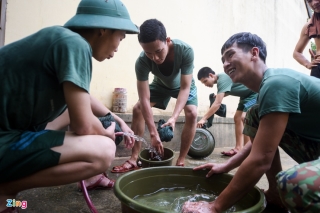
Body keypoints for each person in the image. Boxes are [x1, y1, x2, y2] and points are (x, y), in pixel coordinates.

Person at [0, 0, 138, 212]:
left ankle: (13, 198)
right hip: (5, 141)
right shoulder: (76, 45)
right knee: (103, 150)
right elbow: (84, 126)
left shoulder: (60, 38)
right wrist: (107, 133)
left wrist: (117, 119)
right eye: (120, 37)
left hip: (10, 134)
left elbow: (82, 98)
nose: (118, 47)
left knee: (70, 111)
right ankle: (6, 191)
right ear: (102, 29)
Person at [182, 32, 320, 213]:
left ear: (254, 53)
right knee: (254, 114)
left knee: (295, 184)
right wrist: (226, 166)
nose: (225, 64)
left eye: (230, 55)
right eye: (223, 59)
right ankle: (275, 195)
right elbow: (261, 143)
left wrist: (215, 207)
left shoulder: (276, 84)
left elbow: (261, 158)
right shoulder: (266, 91)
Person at [112, 19, 198, 172]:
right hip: (160, 85)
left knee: (192, 113)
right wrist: (153, 132)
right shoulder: (142, 62)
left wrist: (173, 118)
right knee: (138, 108)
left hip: (183, 85)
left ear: (167, 40)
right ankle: (134, 159)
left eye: (158, 51)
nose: (155, 58)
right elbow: (144, 98)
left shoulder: (185, 50)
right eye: (149, 53)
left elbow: (185, 88)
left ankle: (181, 160)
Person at [197, 67, 257, 156]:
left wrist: (203, 119)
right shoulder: (221, 81)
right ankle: (238, 148)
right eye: (203, 83)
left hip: (254, 93)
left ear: (211, 75)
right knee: (237, 118)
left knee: (244, 117)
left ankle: (247, 151)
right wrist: (218, 96)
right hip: (245, 96)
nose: (205, 84)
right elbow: (230, 89)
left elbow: (217, 104)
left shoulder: (223, 78)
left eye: (205, 81)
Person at [293, 0, 320, 78]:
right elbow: (296, 52)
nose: (314, 3)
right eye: (309, 1)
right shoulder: (310, 25)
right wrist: (307, 63)